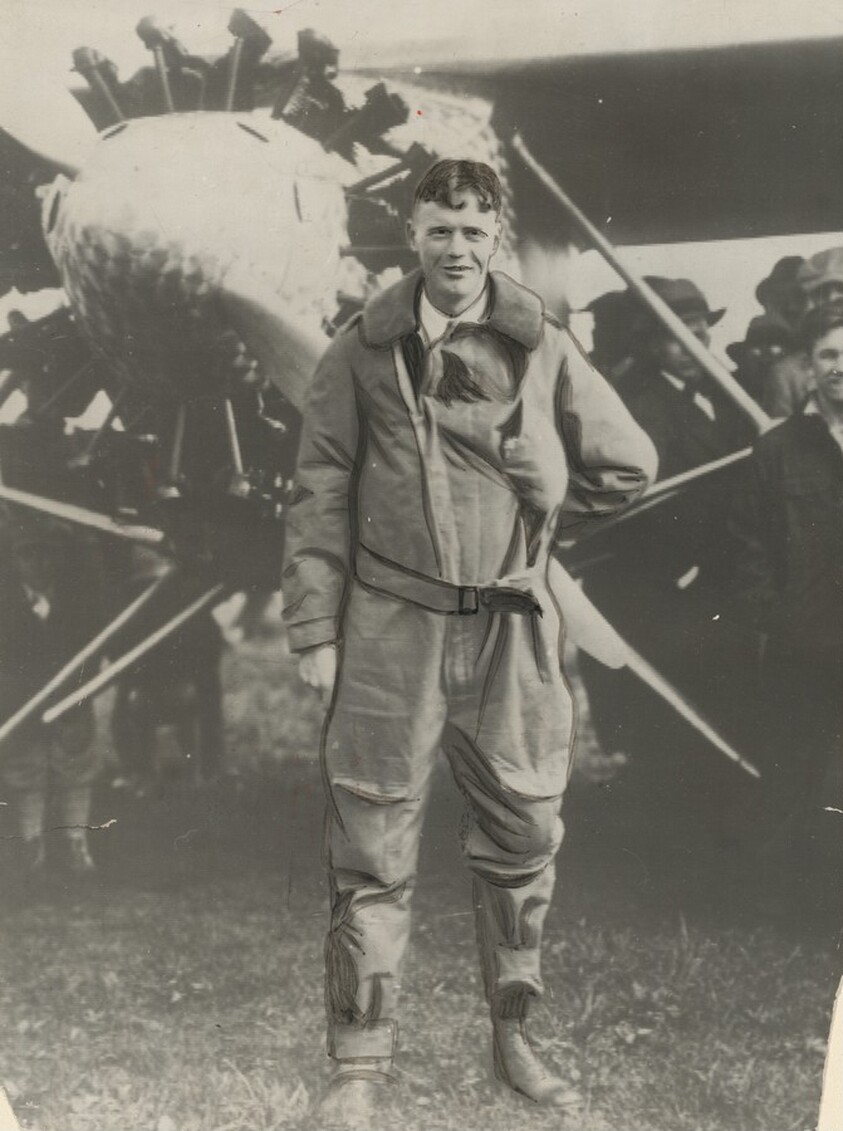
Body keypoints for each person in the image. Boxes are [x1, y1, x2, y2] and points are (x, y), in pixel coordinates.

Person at [282, 158, 657, 1128]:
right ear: (411, 234)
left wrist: (553, 488)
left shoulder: (543, 347)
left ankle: (515, 1037)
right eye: (439, 231)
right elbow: (318, 492)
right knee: (370, 839)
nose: (457, 249)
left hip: (512, 631)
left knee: (525, 835)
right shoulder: (358, 351)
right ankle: (360, 1062)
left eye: (475, 232)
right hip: (388, 627)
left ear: (498, 238)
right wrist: (315, 628)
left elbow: (631, 466)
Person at [728, 303, 843, 918]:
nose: (841, 367)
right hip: (806, 644)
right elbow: (750, 547)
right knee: (792, 773)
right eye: (828, 354)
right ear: (808, 365)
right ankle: (774, 909)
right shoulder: (777, 449)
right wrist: (777, 620)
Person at [0, 519, 102, 879]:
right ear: (14, 560)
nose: (39, 564)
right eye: (28, 555)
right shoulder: (7, 606)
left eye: (47, 554)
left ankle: (77, 844)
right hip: (18, 704)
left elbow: (90, 659)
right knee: (25, 768)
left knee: (75, 762)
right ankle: (32, 846)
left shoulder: (77, 603)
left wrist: (76, 704)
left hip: (67, 701)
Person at [616, 276, 753, 480]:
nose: (690, 350)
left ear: (708, 337)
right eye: (676, 339)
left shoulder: (732, 391)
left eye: (697, 336)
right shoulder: (642, 407)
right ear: (654, 346)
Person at [763, 247, 843, 417]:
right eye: (821, 294)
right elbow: (782, 439)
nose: (832, 301)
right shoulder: (788, 375)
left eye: (841, 290)